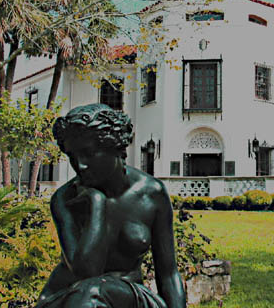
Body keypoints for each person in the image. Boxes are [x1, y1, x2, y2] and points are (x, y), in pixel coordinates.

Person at [36, 104, 186, 308]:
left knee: (93, 292)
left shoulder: (151, 194)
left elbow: (168, 274)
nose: (79, 165)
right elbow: (86, 272)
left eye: (88, 153)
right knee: (88, 293)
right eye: (72, 156)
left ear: (115, 147)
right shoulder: (64, 200)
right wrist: (97, 205)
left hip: (129, 297)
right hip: (71, 296)